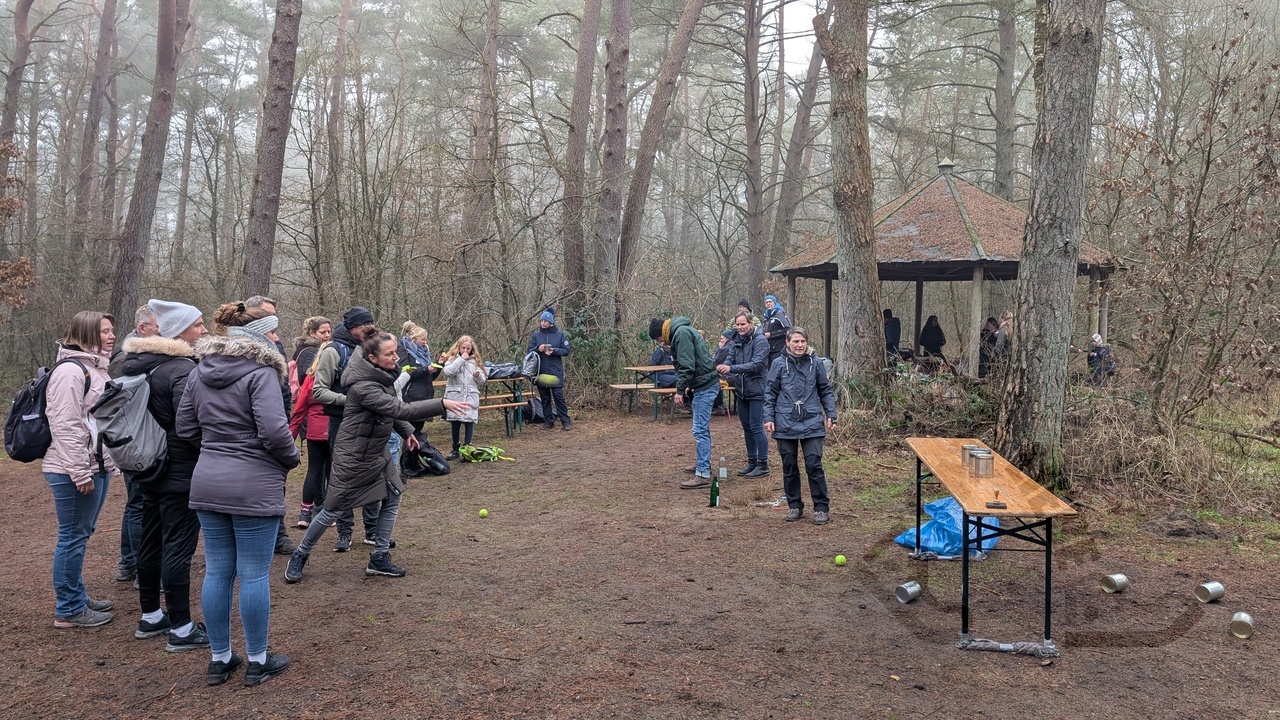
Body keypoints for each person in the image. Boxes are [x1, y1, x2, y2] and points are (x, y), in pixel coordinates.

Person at [176, 301, 300, 686]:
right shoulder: (262, 373)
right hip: (253, 483)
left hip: (208, 479)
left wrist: (216, 449)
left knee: (217, 571)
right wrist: (290, 459)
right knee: (253, 573)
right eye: (273, 331)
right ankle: (258, 661)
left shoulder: (198, 371)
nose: (278, 338)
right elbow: (275, 432)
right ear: (258, 337)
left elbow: (185, 428)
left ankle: (220, 659)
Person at [285, 332, 468, 584]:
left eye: (395, 352)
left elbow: (390, 410)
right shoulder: (363, 385)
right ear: (372, 357)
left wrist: (407, 431)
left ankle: (379, 557)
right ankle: (300, 554)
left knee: (394, 495)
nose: (396, 357)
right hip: (354, 455)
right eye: (389, 354)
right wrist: (442, 403)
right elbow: (398, 408)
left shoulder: (382, 375)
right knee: (333, 509)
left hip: (377, 451)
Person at [119, 299, 210, 652]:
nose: (204, 330)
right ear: (179, 332)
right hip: (179, 469)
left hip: (147, 464)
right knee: (178, 546)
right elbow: (190, 425)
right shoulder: (182, 369)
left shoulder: (140, 364)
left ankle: (151, 615)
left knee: (151, 540)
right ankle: (182, 627)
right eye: (197, 325)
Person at [44, 311, 118, 628]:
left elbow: (96, 422)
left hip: (93, 464)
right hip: (72, 469)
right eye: (104, 332)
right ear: (86, 334)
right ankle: (69, 609)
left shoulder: (94, 368)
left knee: (81, 533)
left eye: (112, 330)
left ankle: (76, 595)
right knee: (72, 536)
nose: (112, 336)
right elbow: (66, 426)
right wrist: (80, 472)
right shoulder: (70, 372)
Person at [312, 307, 383, 551]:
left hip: (371, 422)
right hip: (342, 423)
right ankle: (344, 532)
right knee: (342, 479)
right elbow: (319, 390)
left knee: (373, 474)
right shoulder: (333, 351)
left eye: (372, 322)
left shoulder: (372, 348)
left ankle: (372, 531)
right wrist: (351, 401)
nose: (371, 327)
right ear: (353, 327)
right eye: (366, 324)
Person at [763, 327, 837, 525]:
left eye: (802, 341)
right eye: (795, 341)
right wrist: (768, 417)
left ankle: (821, 507)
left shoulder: (816, 363)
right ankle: (794, 505)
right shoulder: (778, 364)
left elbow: (825, 390)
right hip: (784, 421)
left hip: (812, 420)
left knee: (814, 464)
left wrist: (831, 414)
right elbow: (770, 393)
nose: (799, 345)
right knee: (789, 465)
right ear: (787, 343)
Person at [111, 304, 159, 586]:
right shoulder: (126, 358)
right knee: (139, 504)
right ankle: (140, 568)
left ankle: (129, 563)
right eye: (157, 327)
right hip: (134, 440)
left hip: (138, 438)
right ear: (143, 329)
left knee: (136, 503)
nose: (162, 333)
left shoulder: (136, 354)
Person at [246, 295, 296, 555]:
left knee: (277, 480)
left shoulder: (276, 344)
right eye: (267, 315)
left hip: (277, 420)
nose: (272, 322)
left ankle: (278, 532)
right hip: (251, 429)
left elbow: (283, 386)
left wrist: (284, 419)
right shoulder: (242, 351)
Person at [649, 316, 720, 488]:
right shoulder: (681, 331)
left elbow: (687, 366)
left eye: (659, 339)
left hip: (705, 385)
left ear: (662, 332)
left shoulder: (680, 334)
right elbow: (693, 362)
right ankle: (702, 464)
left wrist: (680, 390)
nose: (661, 343)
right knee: (701, 428)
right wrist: (688, 384)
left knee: (700, 429)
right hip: (702, 383)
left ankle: (702, 473)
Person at [289, 316, 332, 528]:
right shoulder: (336, 376)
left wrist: (291, 435)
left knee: (314, 469)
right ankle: (330, 511)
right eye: (323, 332)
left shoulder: (311, 377)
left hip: (314, 427)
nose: (327, 335)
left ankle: (305, 513)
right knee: (331, 470)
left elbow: (299, 409)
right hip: (333, 427)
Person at [718, 311, 770, 478]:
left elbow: (756, 364)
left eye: (743, 324)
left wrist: (731, 369)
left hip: (757, 389)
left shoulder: (760, 340)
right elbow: (730, 357)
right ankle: (752, 461)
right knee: (747, 427)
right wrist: (724, 367)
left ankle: (763, 464)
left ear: (751, 324)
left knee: (756, 427)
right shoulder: (737, 341)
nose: (740, 327)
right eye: (738, 324)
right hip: (741, 390)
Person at [440, 335, 486, 459]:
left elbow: (483, 380)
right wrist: (461, 360)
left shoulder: (475, 361)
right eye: (463, 348)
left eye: (468, 348)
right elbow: (449, 372)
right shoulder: (451, 359)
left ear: (472, 349)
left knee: (469, 423)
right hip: (455, 396)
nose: (465, 350)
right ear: (458, 347)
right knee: (455, 423)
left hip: (470, 396)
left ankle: (467, 450)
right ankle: (455, 449)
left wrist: (478, 375)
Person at [528, 310, 571, 430]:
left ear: (550, 322)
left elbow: (566, 350)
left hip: (555, 372)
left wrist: (554, 351)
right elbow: (529, 352)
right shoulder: (536, 335)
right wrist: (538, 349)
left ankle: (565, 421)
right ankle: (548, 421)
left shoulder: (560, 335)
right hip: (540, 372)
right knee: (545, 398)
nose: (543, 323)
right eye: (541, 321)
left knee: (558, 397)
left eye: (545, 321)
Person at [397, 321, 440, 433]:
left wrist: (440, 365)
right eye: (423, 339)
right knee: (409, 432)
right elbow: (405, 371)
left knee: (417, 431)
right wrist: (426, 369)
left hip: (424, 396)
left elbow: (430, 377)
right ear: (414, 339)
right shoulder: (404, 350)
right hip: (410, 397)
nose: (425, 342)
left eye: (426, 339)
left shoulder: (425, 354)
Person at [761, 294, 792, 367]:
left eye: (770, 302)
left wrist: (771, 334)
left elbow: (788, 329)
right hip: (769, 349)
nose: (768, 304)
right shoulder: (766, 317)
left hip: (779, 348)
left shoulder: (780, 313)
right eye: (766, 302)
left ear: (774, 303)